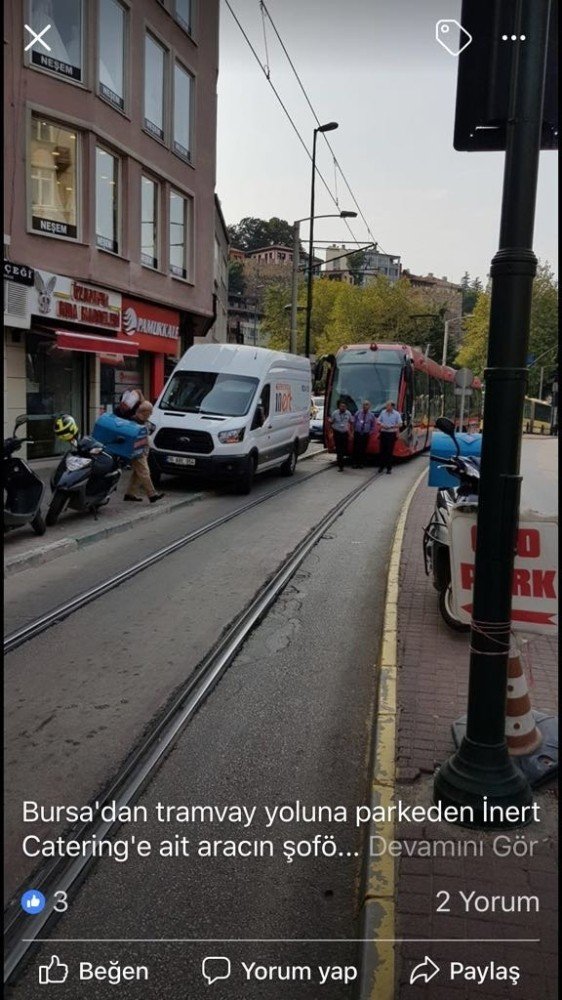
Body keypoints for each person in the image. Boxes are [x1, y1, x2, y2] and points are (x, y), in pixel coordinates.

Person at [123, 401, 165, 503]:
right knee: (145, 472)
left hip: (142, 450)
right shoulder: (134, 421)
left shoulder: (142, 421)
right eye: (149, 412)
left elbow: (151, 429)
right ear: (144, 412)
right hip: (136, 452)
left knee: (138, 474)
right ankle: (152, 494)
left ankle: (130, 494)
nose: (150, 414)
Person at [377, 400, 402, 474]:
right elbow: (378, 421)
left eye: (388, 405)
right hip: (383, 433)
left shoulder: (396, 414)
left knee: (389, 451)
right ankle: (381, 467)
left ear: (392, 407)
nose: (387, 407)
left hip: (391, 433)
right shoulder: (383, 412)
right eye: (386, 405)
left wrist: (393, 426)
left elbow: (400, 424)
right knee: (382, 451)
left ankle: (389, 468)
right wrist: (382, 424)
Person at [329, 399, 353, 471]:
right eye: (341, 406)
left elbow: (351, 423)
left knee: (344, 449)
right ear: (339, 407)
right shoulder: (335, 413)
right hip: (337, 432)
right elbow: (330, 423)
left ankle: (340, 459)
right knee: (339, 449)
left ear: (346, 407)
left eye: (344, 406)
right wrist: (331, 433)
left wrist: (351, 434)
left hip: (345, 433)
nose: (343, 408)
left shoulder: (348, 413)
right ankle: (340, 465)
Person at [352, 400, 376, 468]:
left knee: (363, 449)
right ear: (362, 406)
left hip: (365, 434)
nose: (365, 406)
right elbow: (354, 422)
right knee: (356, 449)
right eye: (364, 405)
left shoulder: (372, 415)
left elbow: (373, 425)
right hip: (357, 433)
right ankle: (355, 463)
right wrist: (353, 430)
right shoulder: (358, 413)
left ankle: (361, 463)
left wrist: (369, 432)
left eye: (367, 405)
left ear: (369, 406)